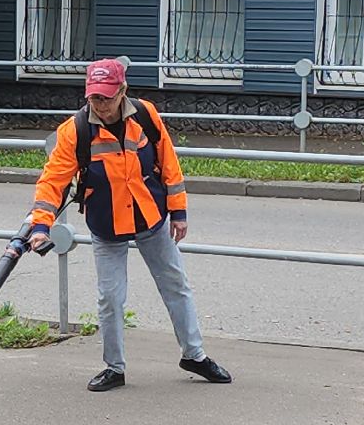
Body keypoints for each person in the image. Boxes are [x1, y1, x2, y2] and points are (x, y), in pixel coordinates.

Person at [27, 59, 231, 392]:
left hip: (151, 218)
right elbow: (52, 181)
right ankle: (114, 368)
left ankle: (194, 355)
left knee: (175, 285)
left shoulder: (146, 115)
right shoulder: (74, 130)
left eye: (107, 97)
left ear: (123, 90)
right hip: (106, 223)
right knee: (110, 297)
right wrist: (40, 226)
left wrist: (178, 211)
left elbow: (168, 161)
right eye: (95, 98)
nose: (101, 105)